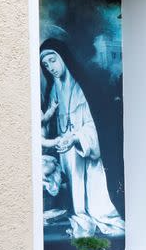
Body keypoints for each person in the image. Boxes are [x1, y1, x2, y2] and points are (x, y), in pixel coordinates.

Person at [39, 38, 125, 238]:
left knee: (98, 209)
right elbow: (48, 125)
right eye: (45, 64)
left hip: (83, 151)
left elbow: (93, 125)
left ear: (63, 59)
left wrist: (75, 138)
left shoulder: (82, 88)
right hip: (64, 152)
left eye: (53, 60)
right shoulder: (53, 90)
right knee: (71, 196)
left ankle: (88, 217)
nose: (50, 67)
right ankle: (78, 215)